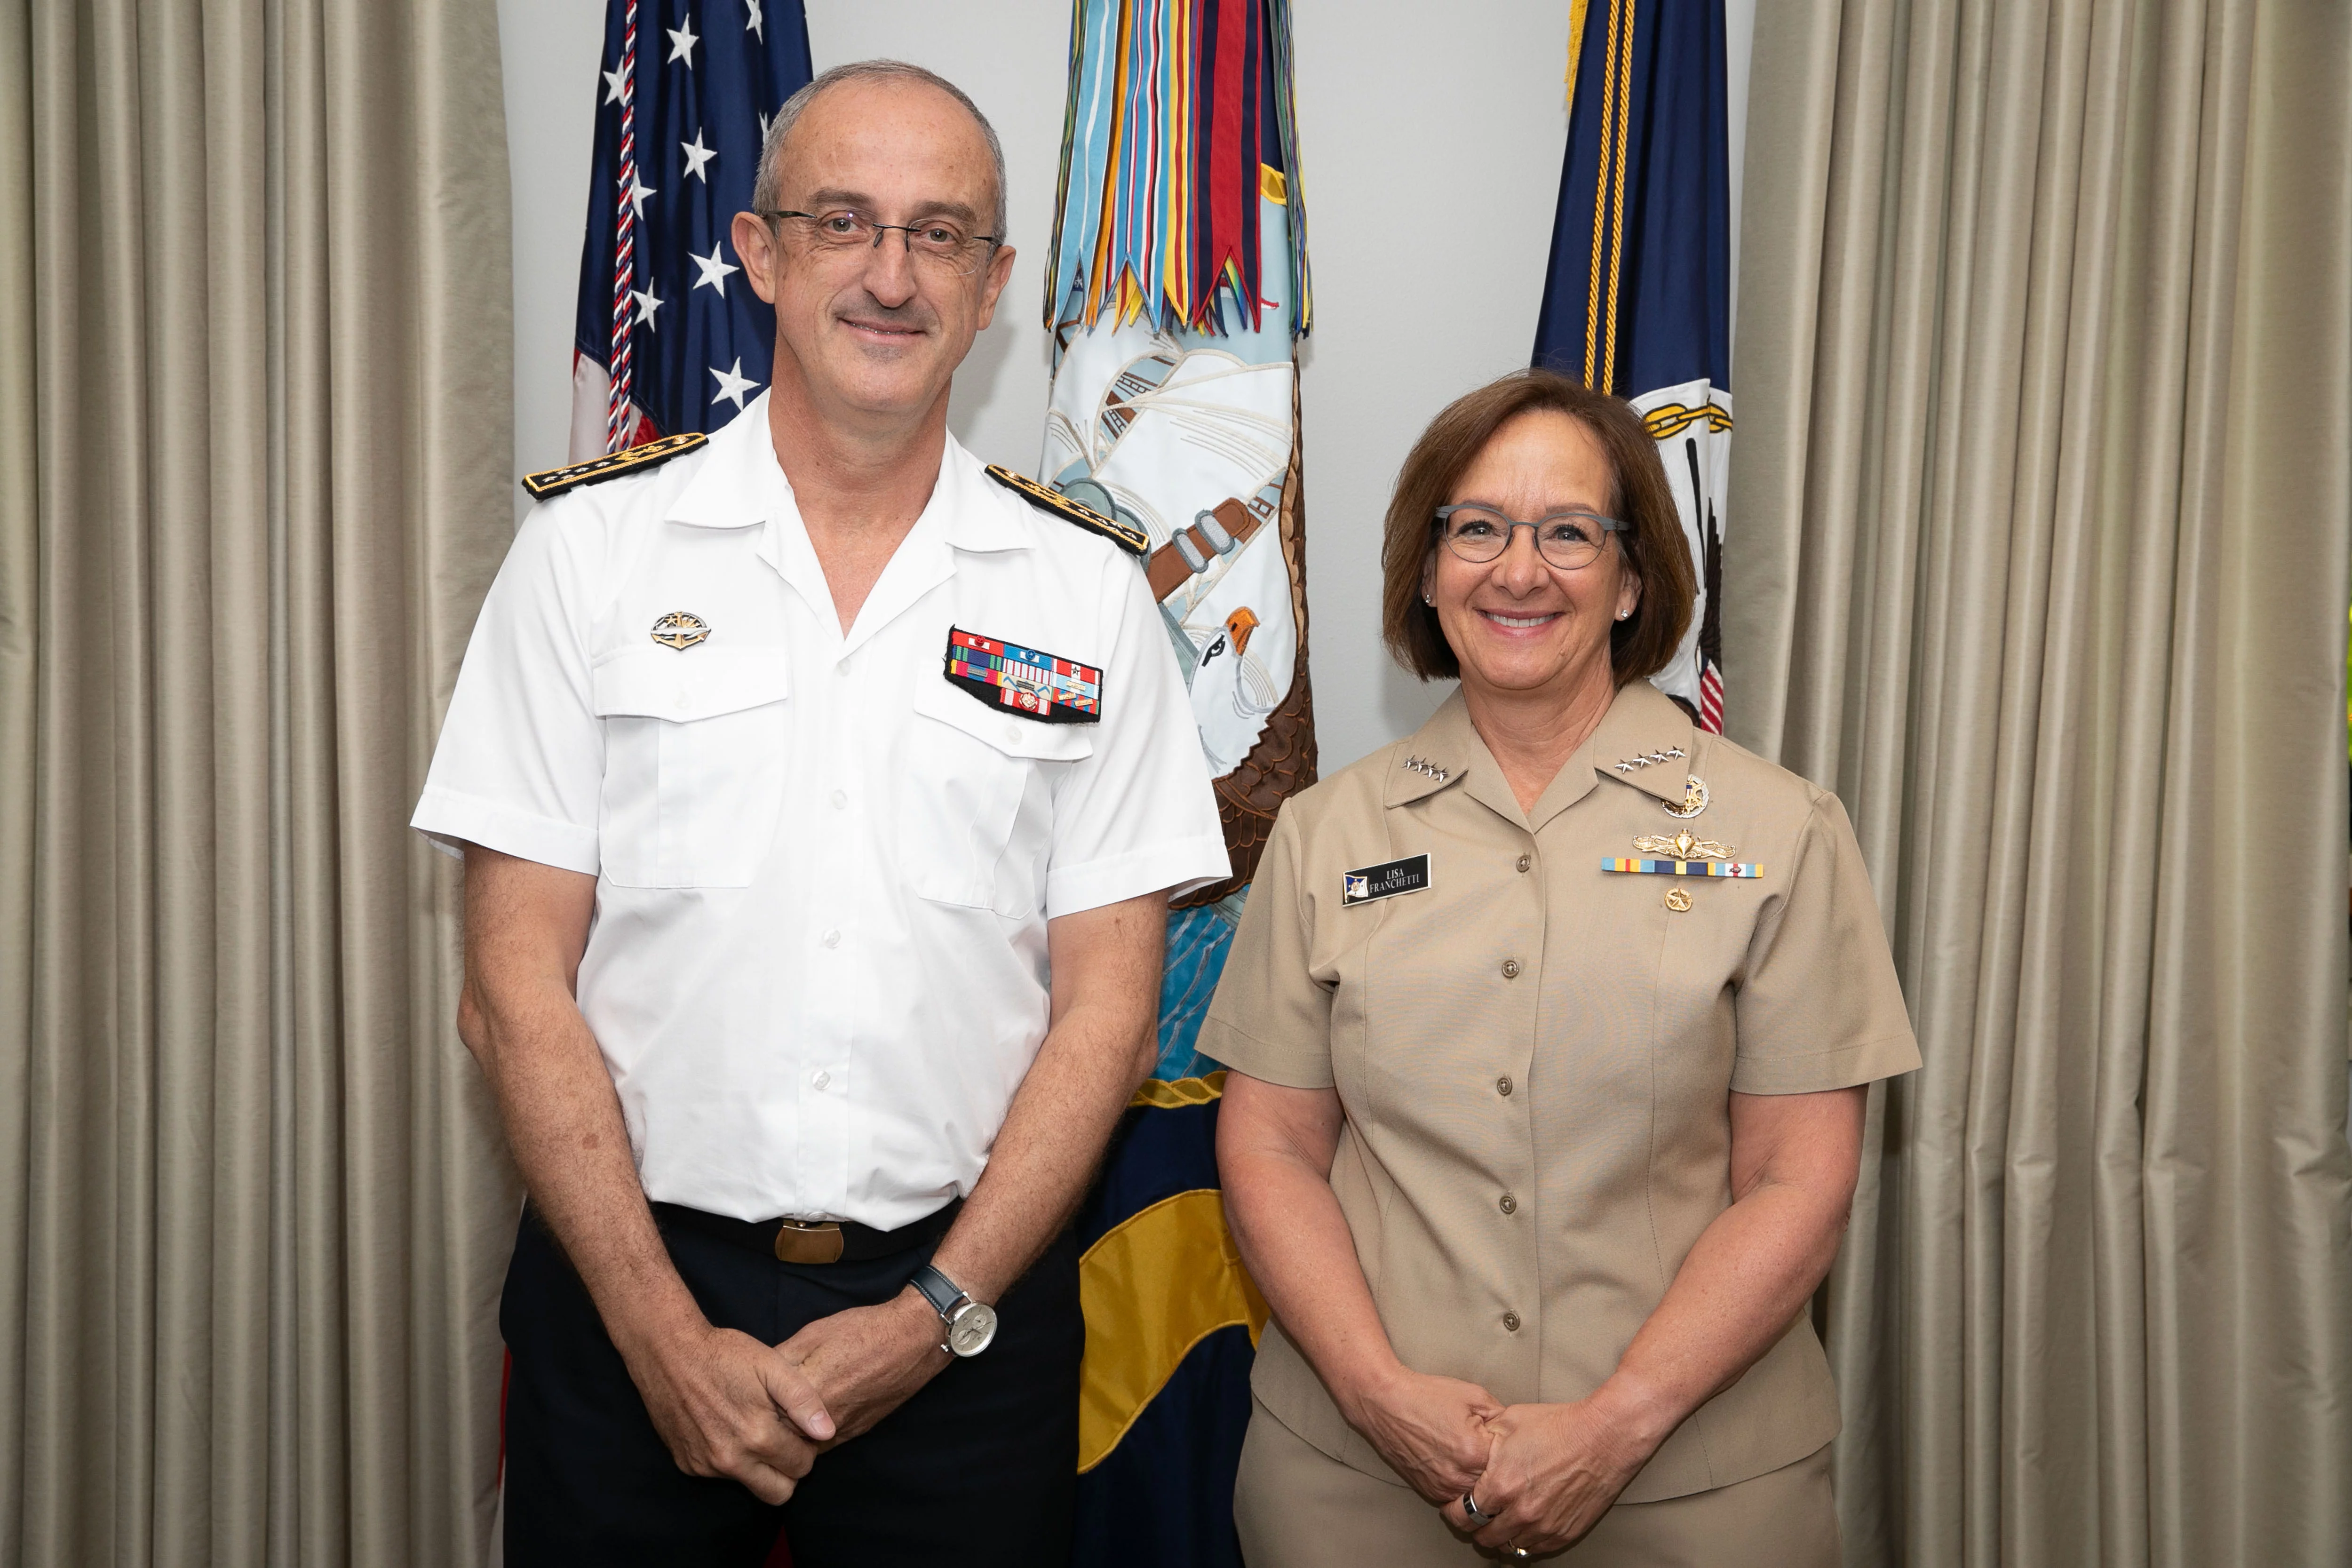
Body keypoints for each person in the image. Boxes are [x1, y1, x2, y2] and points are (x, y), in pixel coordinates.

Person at [412, 61, 1228, 1567]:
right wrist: (661, 1331)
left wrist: (933, 1315)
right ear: (760, 251)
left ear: (992, 288)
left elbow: (1109, 1016)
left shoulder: (1089, 595)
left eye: (939, 233)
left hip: (965, 1329)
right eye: (843, 222)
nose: (890, 273)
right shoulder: (590, 557)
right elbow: (510, 990)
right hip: (629, 1300)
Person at [1204, 369, 1920, 1565]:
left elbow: (1797, 1178)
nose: (1518, 570)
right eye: (1476, 528)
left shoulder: (1777, 830)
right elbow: (1271, 1144)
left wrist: (1615, 1425)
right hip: (1361, 1478)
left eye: (1569, 533)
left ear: (1633, 576)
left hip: (1691, 1483)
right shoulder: (1328, 836)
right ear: (1428, 571)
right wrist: (1377, 1392)